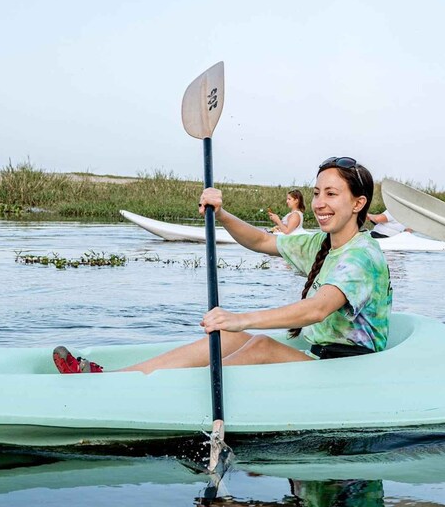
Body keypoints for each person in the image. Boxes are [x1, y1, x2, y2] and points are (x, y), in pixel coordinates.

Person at [53, 156, 392, 374]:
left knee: (256, 342)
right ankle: (118, 379)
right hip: (318, 356)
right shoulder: (319, 243)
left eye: (331, 194)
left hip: (351, 370)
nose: (319, 203)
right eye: (316, 193)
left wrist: (239, 318)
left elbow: (316, 310)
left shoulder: (361, 255)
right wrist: (222, 214)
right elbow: (260, 241)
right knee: (232, 339)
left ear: (358, 203)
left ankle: (161, 392)